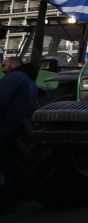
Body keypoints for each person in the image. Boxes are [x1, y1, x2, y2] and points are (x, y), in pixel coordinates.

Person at [0, 57, 37, 214]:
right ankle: (8, 201)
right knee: (10, 167)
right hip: (18, 129)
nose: (2, 65)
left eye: (5, 63)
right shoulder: (30, 81)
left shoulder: (14, 77)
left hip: (4, 127)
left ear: (15, 64)